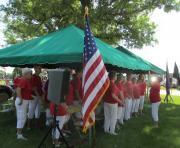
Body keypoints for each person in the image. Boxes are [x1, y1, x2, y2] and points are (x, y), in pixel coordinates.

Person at [15, 68, 32, 140]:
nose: (31, 75)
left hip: (24, 101)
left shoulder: (26, 80)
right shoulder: (24, 80)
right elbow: (18, 89)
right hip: (22, 101)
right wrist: (21, 99)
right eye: (30, 73)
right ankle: (19, 134)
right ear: (26, 74)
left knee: (22, 117)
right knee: (22, 117)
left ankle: (19, 132)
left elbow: (25, 91)